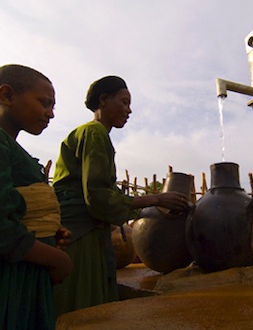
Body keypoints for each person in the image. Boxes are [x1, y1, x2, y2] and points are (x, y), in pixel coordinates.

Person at [52, 75, 188, 317]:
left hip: (82, 231)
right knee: (80, 303)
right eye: (124, 102)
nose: (129, 110)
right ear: (104, 100)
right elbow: (99, 198)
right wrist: (156, 199)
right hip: (79, 235)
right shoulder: (94, 134)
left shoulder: (89, 134)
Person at [0, 64, 73, 330]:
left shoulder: (13, 149)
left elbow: (18, 208)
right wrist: (57, 259)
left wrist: (47, 231)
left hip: (20, 273)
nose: (50, 113)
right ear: (7, 96)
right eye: (44, 103)